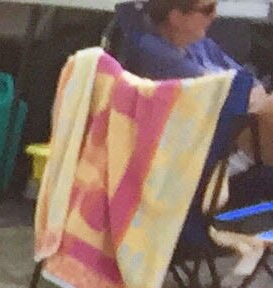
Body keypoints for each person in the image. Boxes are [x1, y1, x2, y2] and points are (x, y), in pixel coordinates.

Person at [110, 0, 273, 206]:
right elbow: (225, 94)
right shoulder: (155, 54)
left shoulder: (199, 42)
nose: (215, 16)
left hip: (239, 133)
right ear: (176, 17)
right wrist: (248, 97)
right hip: (206, 156)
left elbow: (250, 83)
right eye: (207, 9)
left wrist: (247, 96)